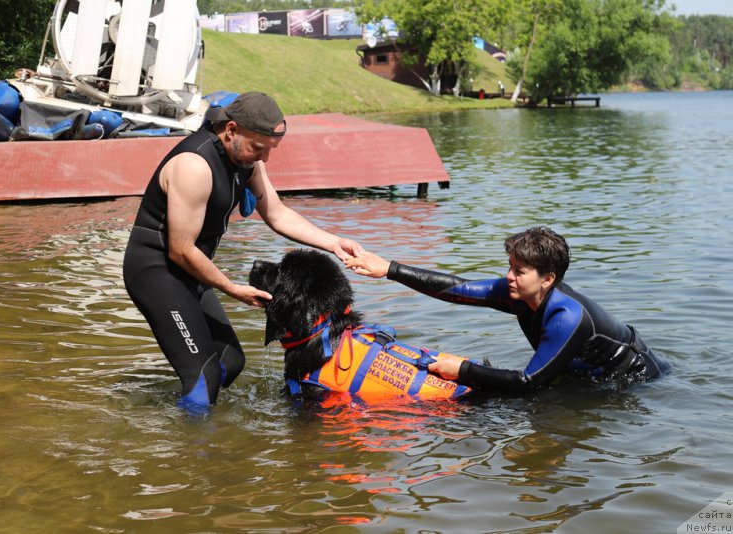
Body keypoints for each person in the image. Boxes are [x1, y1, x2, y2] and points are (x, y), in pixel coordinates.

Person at [123, 92, 363, 411]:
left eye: (270, 150)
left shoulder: (245, 161)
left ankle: (181, 411)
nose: (264, 159)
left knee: (231, 362)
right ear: (232, 130)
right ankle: (189, 452)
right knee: (204, 375)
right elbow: (180, 250)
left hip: (190, 270)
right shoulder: (193, 166)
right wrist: (232, 288)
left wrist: (332, 242)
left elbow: (276, 214)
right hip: (156, 270)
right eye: (259, 148)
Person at [344, 226, 669, 393]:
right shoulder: (517, 292)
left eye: (520, 270)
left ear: (548, 278)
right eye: (509, 266)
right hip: (584, 374)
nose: (508, 277)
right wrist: (389, 268)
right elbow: (456, 289)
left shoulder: (566, 317)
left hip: (634, 379)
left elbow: (528, 384)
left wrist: (464, 369)